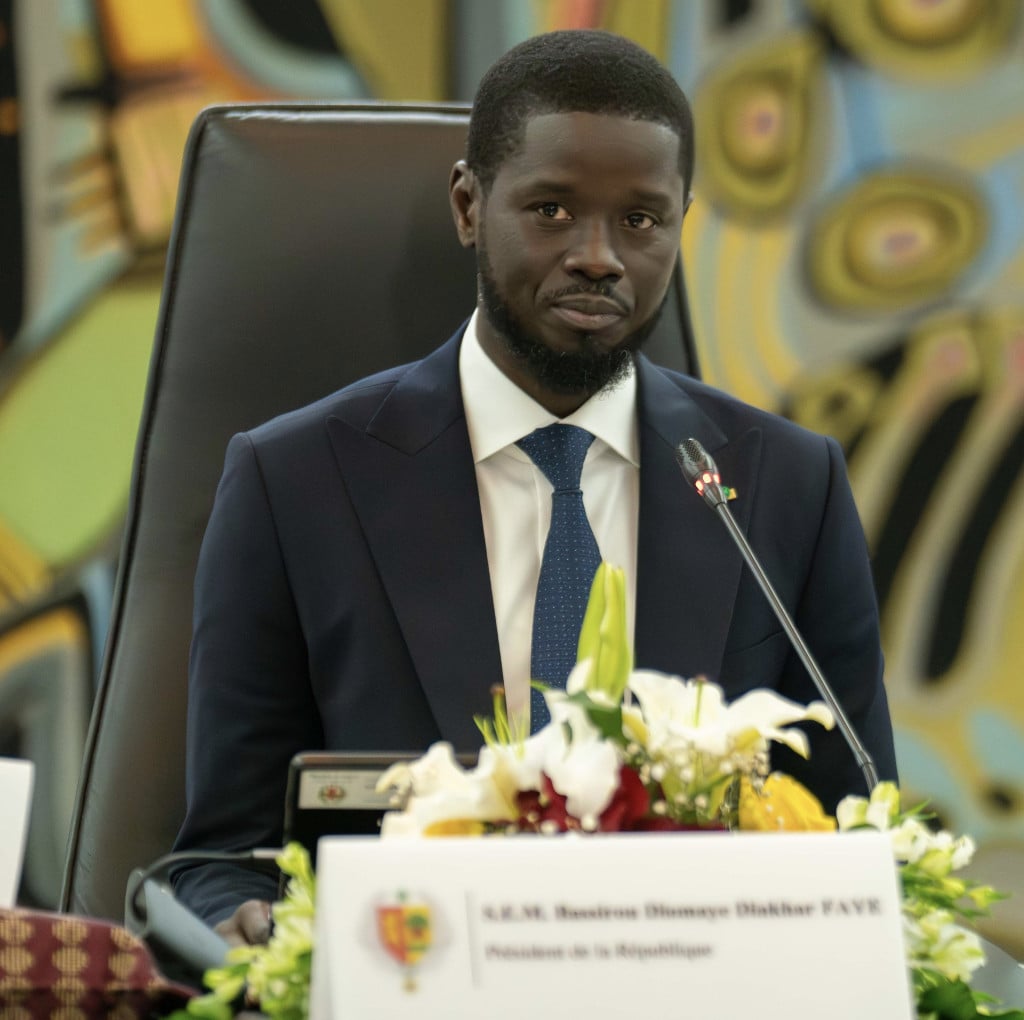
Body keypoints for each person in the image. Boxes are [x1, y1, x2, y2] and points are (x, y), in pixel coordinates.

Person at [172, 29, 898, 943]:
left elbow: (857, 833)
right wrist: (254, 932)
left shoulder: (785, 486)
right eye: (552, 209)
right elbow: (218, 859)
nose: (599, 255)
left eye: (641, 219)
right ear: (470, 204)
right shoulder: (294, 482)